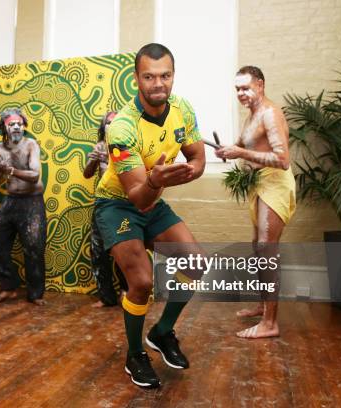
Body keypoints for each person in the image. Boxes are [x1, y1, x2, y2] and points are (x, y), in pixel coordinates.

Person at [94, 43, 206, 388]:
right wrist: (156, 178)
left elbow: (196, 157)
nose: (159, 84)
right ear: (136, 79)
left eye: (165, 75)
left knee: (196, 265)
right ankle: (134, 355)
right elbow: (137, 197)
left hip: (153, 201)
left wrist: (193, 170)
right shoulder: (122, 128)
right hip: (118, 205)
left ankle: (161, 332)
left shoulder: (183, 108)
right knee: (141, 282)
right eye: (149, 76)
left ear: (173, 75)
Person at [215, 66, 296, 339]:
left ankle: (270, 323)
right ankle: (263, 306)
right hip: (259, 185)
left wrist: (239, 151)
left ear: (260, 85)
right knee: (258, 248)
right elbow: (242, 145)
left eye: (246, 88)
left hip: (275, 183)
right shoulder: (252, 116)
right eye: (237, 89)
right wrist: (228, 149)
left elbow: (283, 160)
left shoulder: (270, 114)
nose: (241, 93)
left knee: (266, 249)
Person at [0, 108, 47, 305]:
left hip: (32, 201)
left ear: (24, 126)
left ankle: (35, 295)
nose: (16, 127)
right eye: (12, 124)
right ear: (5, 127)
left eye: (19, 124)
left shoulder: (31, 145)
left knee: (34, 247)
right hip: (11, 200)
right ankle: (9, 287)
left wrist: (9, 169)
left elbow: (35, 175)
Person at [83, 111, 128, 307]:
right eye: (108, 123)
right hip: (102, 204)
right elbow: (87, 174)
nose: (112, 125)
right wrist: (94, 159)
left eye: (115, 122)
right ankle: (106, 296)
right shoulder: (100, 146)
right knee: (98, 250)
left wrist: (110, 160)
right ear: (103, 127)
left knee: (123, 250)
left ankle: (126, 291)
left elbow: (128, 173)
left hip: (122, 205)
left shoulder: (126, 146)